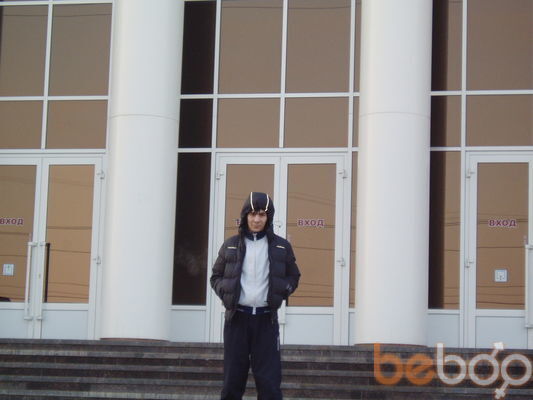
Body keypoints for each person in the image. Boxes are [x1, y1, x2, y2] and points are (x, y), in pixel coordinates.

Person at [210, 191, 301, 400]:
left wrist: (282, 291)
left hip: (266, 320)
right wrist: (226, 294)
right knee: (232, 382)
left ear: (268, 217)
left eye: (262, 214)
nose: (257, 219)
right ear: (245, 216)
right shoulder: (231, 244)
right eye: (252, 214)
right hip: (237, 320)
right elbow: (216, 276)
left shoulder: (281, 246)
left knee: (269, 384)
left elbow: (293, 276)